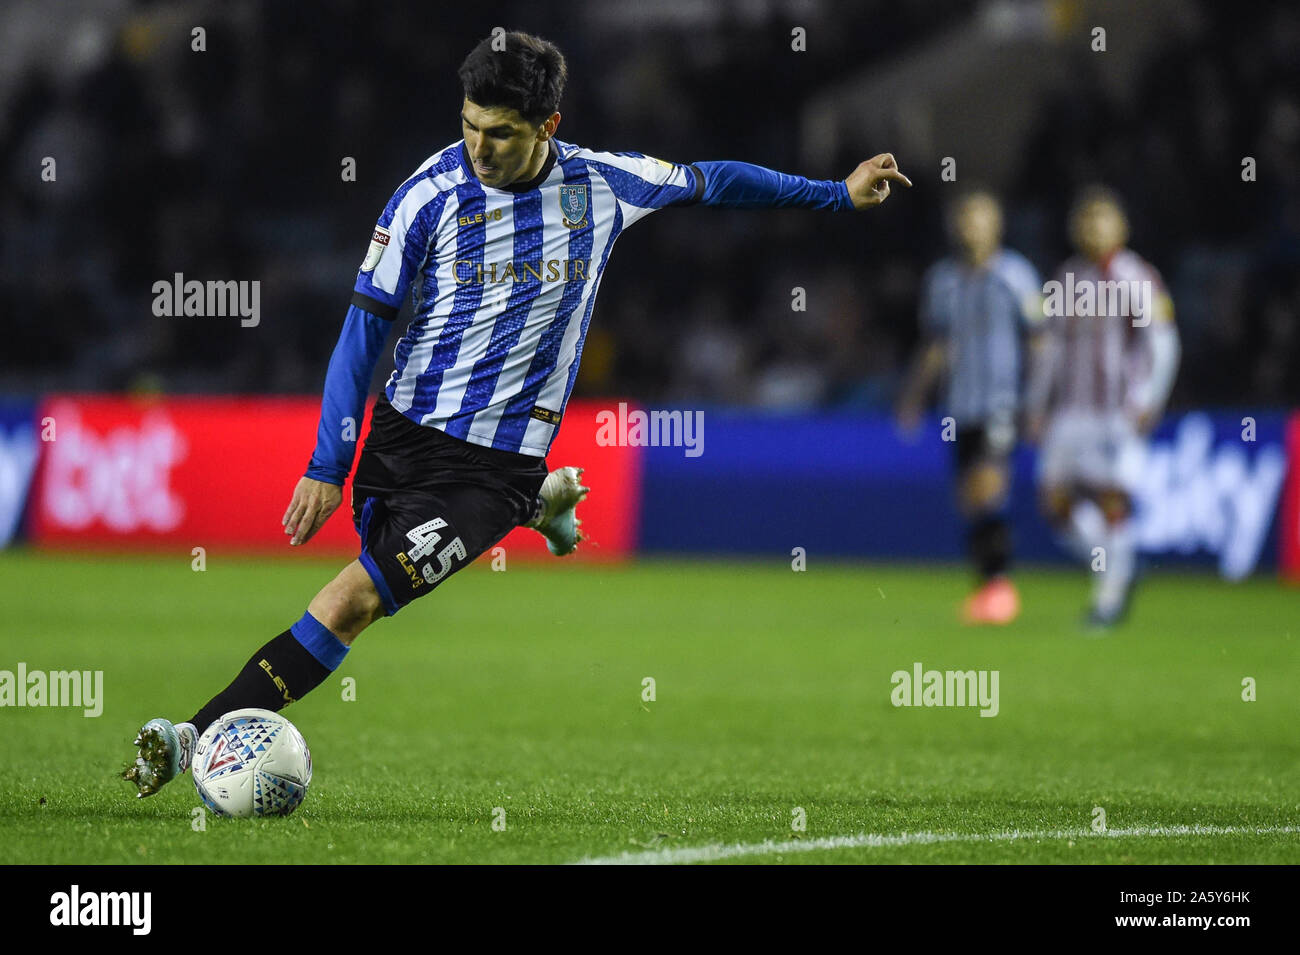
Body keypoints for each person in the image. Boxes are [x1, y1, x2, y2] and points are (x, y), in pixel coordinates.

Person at [124, 30, 911, 796]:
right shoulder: (427, 196)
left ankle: (193, 736)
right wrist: (328, 463)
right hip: (398, 442)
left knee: (350, 601)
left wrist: (835, 194)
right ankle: (545, 503)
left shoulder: (604, 184)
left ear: (548, 127)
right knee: (371, 569)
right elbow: (362, 330)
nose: (478, 147)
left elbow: (715, 178)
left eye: (500, 133)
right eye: (468, 126)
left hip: (487, 470)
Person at [1026, 187, 1179, 629]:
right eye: (1086, 220)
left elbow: (1164, 343)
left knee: (1112, 499)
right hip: (1071, 411)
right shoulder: (1066, 277)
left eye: (1103, 219)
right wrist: (1036, 405)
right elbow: (1049, 350)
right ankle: (1119, 568)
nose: (1094, 229)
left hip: (1117, 410)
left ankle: (1109, 601)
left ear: (1121, 227)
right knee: (1054, 502)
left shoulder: (1138, 276)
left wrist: (1150, 399)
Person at [897, 191, 1041, 624]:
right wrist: (914, 396)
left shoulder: (1016, 275)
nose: (970, 227)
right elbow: (937, 345)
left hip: (1003, 401)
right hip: (960, 405)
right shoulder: (942, 281)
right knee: (969, 499)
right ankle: (988, 586)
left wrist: (1037, 399)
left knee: (987, 485)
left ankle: (1000, 587)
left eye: (979, 218)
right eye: (964, 218)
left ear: (996, 225)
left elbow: (1039, 339)